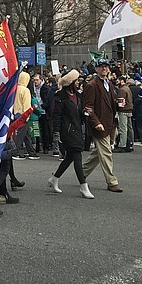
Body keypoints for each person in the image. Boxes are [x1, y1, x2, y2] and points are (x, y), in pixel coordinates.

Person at [48, 70, 93, 199]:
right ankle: (83, 186)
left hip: (77, 129)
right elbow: (57, 116)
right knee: (77, 156)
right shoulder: (60, 97)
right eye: (76, 80)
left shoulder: (78, 96)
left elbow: (79, 111)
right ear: (70, 82)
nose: (78, 82)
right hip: (66, 131)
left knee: (70, 157)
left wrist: (85, 112)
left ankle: (54, 178)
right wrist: (56, 133)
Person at [82, 58, 123, 193]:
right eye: (101, 66)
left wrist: (118, 105)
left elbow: (111, 102)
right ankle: (112, 182)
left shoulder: (109, 84)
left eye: (106, 66)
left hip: (110, 123)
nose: (104, 69)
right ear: (97, 69)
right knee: (106, 153)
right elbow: (87, 107)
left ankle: (81, 174)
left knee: (98, 153)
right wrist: (96, 122)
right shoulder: (92, 85)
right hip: (100, 125)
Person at [114, 78, 134, 151]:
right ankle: (131, 143)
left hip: (123, 110)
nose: (116, 82)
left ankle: (122, 145)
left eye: (118, 80)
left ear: (122, 81)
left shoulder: (121, 90)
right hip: (129, 109)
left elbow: (120, 103)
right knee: (129, 128)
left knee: (123, 128)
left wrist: (116, 103)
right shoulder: (127, 88)